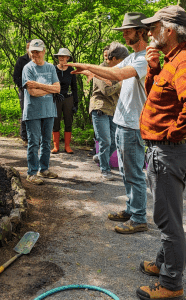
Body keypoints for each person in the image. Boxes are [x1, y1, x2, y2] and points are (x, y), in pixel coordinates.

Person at [136, 6, 186, 300]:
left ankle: (171, 285)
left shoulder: (184, 61)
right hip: (165, 151)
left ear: (169, 30)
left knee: (168, 222)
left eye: (154, 28)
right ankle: (163, 263)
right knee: (168, 214)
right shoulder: (170, 60)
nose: (149, 33)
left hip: (168, 152)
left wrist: (172, 135)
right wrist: (152, 70)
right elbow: (160, 99)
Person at [68, 12, 149, 234]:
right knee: (125, 171)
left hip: (133, 124)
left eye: (128, 31)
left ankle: (140, 217)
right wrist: (89, 70)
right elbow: (111, 72)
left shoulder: (145, 58)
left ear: (141, 32)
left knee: (134, 173)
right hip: (122, 121)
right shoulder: (132, 56)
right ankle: (132, 209)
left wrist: (88, 65)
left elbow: (120, 75)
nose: (124, 35)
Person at [22, 39, 60, 185]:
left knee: (46, 141)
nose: (35, 55)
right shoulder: (28, 68)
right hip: (33, 111)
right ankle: (31, 173)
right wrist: (49, 88)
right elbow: (32, 92)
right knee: (33, 142)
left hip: (49, 110)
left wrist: (38, 85)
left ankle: (43, 169)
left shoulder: (51, 68)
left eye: (37, 52)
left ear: (44, 51)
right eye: (32, 52)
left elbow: (57, 89)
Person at [90, 42, 129, 180]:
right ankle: (105, 170)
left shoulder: (118, 70)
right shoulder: (100, 69)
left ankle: (100, 157)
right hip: (100, 108)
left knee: (114, 140)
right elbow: (106, 91)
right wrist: (120, 84)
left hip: (113, 109)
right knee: (105, 140)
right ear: (113, 58)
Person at [51, 48, 78, 154]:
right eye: (60, 56)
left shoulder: (71, 70)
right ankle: (56, 146)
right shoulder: (53, 69)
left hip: (67, 98)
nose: (62, 58)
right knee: (55, 121)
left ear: (68, 58)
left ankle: (67, 146)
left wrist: (76, 103)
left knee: (68, 121)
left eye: (64, 56)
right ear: (57, 58)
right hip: (56, 98)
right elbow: (50, 84)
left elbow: (74, 88)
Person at [13, 40, 32, 147]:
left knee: (36, 113)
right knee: (25, 112)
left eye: (31, 46)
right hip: (24, 90)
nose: (29, 49)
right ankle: (25, 138)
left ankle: (35, 137)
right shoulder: (21, 60)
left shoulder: (39, 60)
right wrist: (24, 86)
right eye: (27, 47)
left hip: (37, 90)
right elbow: (16, 76)